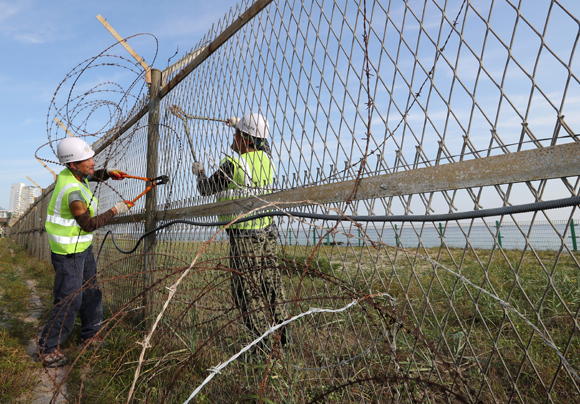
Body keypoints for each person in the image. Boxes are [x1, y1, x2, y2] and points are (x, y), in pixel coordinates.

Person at [193, 113, 290, 353]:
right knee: (272, 284)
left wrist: (200, 172)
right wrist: (240, 124)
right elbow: (263, 142)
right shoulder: (267, 159)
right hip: (267, 231)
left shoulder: (234, 165)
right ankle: (284, 335)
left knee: (247, 290)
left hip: (243, 235)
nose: (233, 137)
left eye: (236, 134)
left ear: (246, 140)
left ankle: (261, 347)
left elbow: (206, 189)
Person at [38, 137, 132, 368]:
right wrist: (116, 209)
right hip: (68, 252)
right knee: (70, 299)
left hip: (82, 247)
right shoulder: (72, 193)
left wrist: (108, 173)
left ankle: (90, 336)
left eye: (91, 157)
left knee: (91, 291)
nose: (92, 162)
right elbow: (88, 224)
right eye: (86, 159)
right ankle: (48, 348)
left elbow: (90, 175)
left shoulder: (73, 174)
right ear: (72, 164)